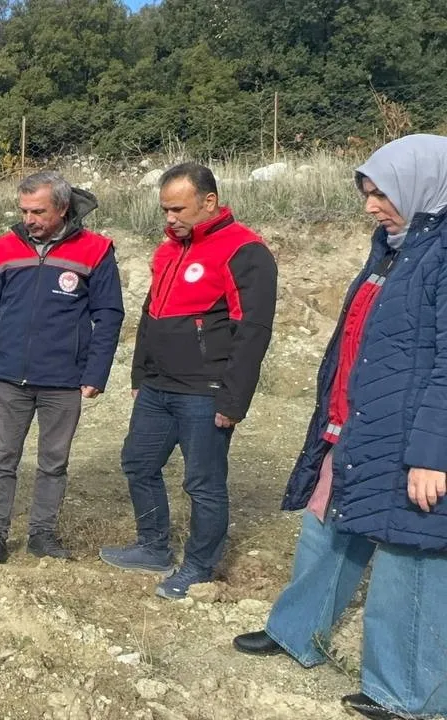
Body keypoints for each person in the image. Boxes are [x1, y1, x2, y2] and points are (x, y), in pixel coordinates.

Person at [231, 135, 447, 720]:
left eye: (382, 194)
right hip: (359, 422)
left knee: (413, 559)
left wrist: (433, 453)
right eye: (367, 194)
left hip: (416, 440)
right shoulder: (395, 247)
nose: (371, 207)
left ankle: (410, 696)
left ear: (423, 185)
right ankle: (298, 631)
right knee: (325, 525)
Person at [99, 162, 278, 599]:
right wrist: (140, 371)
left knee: (203, 483)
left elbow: (253, 331)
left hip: (206, 391)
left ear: (209, 201)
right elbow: (150, 314)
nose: (170, 219)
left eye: (178, 209)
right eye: (165, 210)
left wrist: (233, 400)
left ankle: (198, 568)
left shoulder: (245, 250)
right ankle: (153, 547)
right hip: (158, 387)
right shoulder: (168, 250)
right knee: (138, 463)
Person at [0, 171, 124, 563]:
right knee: (2, 459)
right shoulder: (3, 248)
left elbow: (108, 315)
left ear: (62, 207)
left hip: (64, 380)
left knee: (53, 463)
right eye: (24, 211)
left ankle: (42, 533)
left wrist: (95, 373)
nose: (29, 219)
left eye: (38, 211)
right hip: (8, 377)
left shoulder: (96, 250)